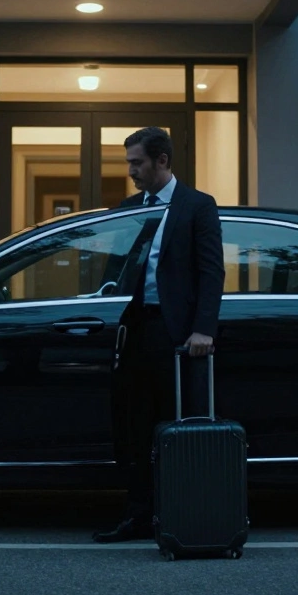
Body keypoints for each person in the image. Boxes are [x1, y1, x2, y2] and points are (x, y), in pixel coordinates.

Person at [92, 126, 225, 544]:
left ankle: (178, 515)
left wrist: (203, 329)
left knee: (175, 428)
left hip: (177, 336)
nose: (131, 171)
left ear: (162, 161)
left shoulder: (197, 207)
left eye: (137, 163)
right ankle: (137, 514)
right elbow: (116, 267)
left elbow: (211, 271)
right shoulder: (130, 208)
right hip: (133, 333)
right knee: (133, 427)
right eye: (129, 163)